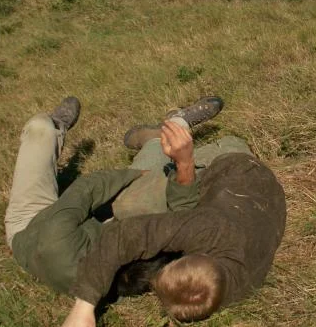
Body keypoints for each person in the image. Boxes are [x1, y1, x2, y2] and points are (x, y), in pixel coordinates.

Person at [62, 108, 287, 325]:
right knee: (149, 190)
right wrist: (83, 307)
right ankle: (172, 128)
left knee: (129, 200)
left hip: (248, 183)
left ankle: (160, 136)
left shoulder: (236, 287)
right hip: (233, 163)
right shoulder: (209, 231)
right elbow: (124, 234)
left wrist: (84, 304)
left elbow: (124, 234)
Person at [4, 95, 224, 297]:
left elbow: (87, 187)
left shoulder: (60, 240)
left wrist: (136, 176)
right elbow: (177, 225)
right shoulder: (121, 272)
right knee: (149, 197)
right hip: (79, 230)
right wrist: (168, 171)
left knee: (39, 128)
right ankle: (164, 133)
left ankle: (60, 126)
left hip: (28, 220)